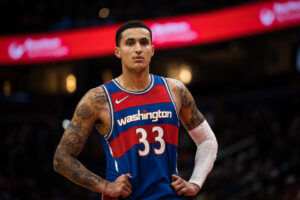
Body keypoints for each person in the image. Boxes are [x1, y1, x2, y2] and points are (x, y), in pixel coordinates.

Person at [53, 20, 218, 199]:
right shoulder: (98, 99)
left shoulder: (175, 90)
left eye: (144, 42)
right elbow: (61, 158)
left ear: (152, 50)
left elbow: (207, 141)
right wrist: (105, 186)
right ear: (118, 52)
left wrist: (195, 182)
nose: (138, 48)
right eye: (130, 43)